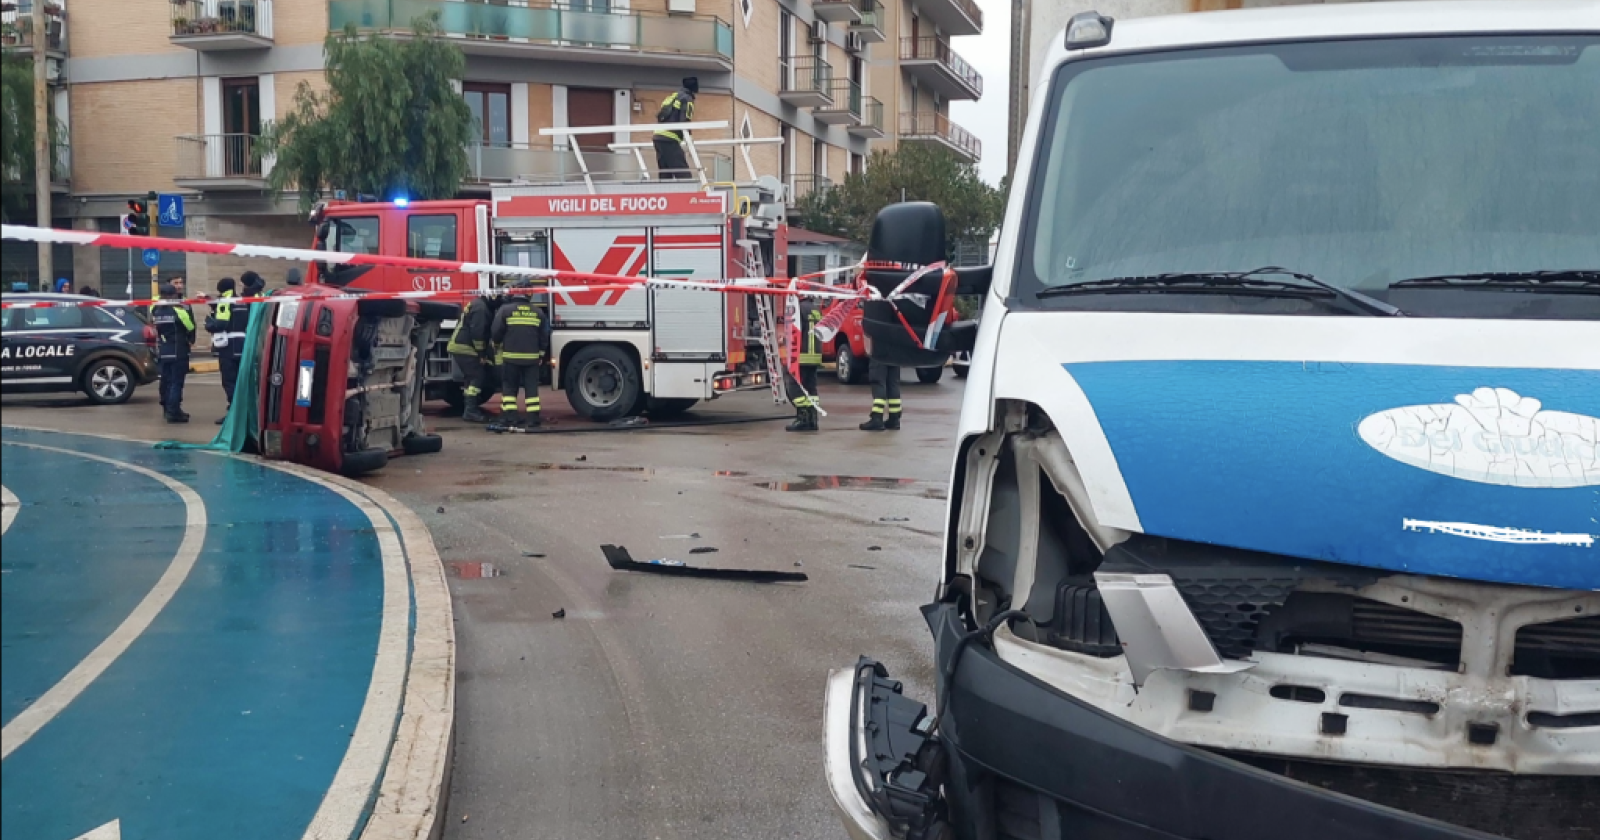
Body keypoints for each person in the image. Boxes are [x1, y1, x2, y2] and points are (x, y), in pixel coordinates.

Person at [490, 279, 547, 429]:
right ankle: (533, 419)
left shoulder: (505, 310)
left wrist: (496, 345)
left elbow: (496, 332)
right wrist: (541, 355)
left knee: (509, 389)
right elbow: (544, 336)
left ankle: (510, 418)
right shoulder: (538, 312)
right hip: (532, 359)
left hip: (511, 357)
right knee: (531, 390)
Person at [446, 290, 499, 424]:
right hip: (465, 347)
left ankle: (469, 409)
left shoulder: (479, 304)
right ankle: (470, 411)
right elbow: (478, 333)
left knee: (471, 379)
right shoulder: (481, 309)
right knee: (477, 376)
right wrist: (481, 354)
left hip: (463, 345)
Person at [152, 282, 196, 423]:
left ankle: (166, 408)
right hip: (178, 350)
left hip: (163, 350)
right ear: (173, 295)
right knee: (176, 383)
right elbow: (190, 326)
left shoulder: (156, 310)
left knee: (166, 381)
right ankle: (174, 412)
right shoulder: (179, 311)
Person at [785, 297, 824, 432]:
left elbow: (793, 330)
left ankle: (803, 418)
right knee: (810, 388)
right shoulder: (815, 308)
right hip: (815, 355)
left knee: (794, 387)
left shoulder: (798, 309)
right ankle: (813, 420)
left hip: (801, 354)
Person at [653, 77, 698, 181]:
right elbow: (685, 120)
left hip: (658, 137)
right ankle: (688, 194)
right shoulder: (687, 99)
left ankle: (665, 194)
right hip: (670, 138)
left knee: (665, 173)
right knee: (683, 173)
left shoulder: (672, 97)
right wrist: (689, 140)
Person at [210, 277, 240, 422]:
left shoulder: (225, 301)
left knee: (229, 381)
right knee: (240, 381)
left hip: (228, 348)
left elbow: (221, 323)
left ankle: (233, 414)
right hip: (242, 346)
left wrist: (209, 324)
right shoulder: (240, 300)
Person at [860, 345, 902, 431]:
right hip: (896, 352)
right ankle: (894, 419)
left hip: (879, 351)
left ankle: (877, 418)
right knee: (893, 383)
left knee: (878, 382)